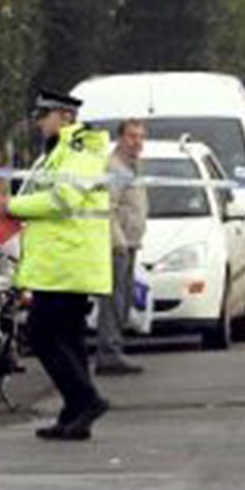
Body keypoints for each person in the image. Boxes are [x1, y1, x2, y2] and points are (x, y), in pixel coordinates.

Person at [8, 89, 114, 441]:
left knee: (41, 334)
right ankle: (74, 417)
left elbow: (62, 198)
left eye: (45, 115)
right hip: (59, 260)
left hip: (70, 261)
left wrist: (12, 207)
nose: (39, 122)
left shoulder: (81, 148)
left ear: (65, 117)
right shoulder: (57, 151)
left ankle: (86, 399)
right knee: (68, 338)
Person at [95, 118, 147, 376]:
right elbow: (108, 207)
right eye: (131, 136)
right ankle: (108, 353)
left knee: (123, 298)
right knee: (114, 299)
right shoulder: (115, 168)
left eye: (140, 137)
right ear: (120, 138)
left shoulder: (133, 167)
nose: (137, 142)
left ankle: (114, 349)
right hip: (118, 244)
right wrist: (118, 242)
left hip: (130, 242)